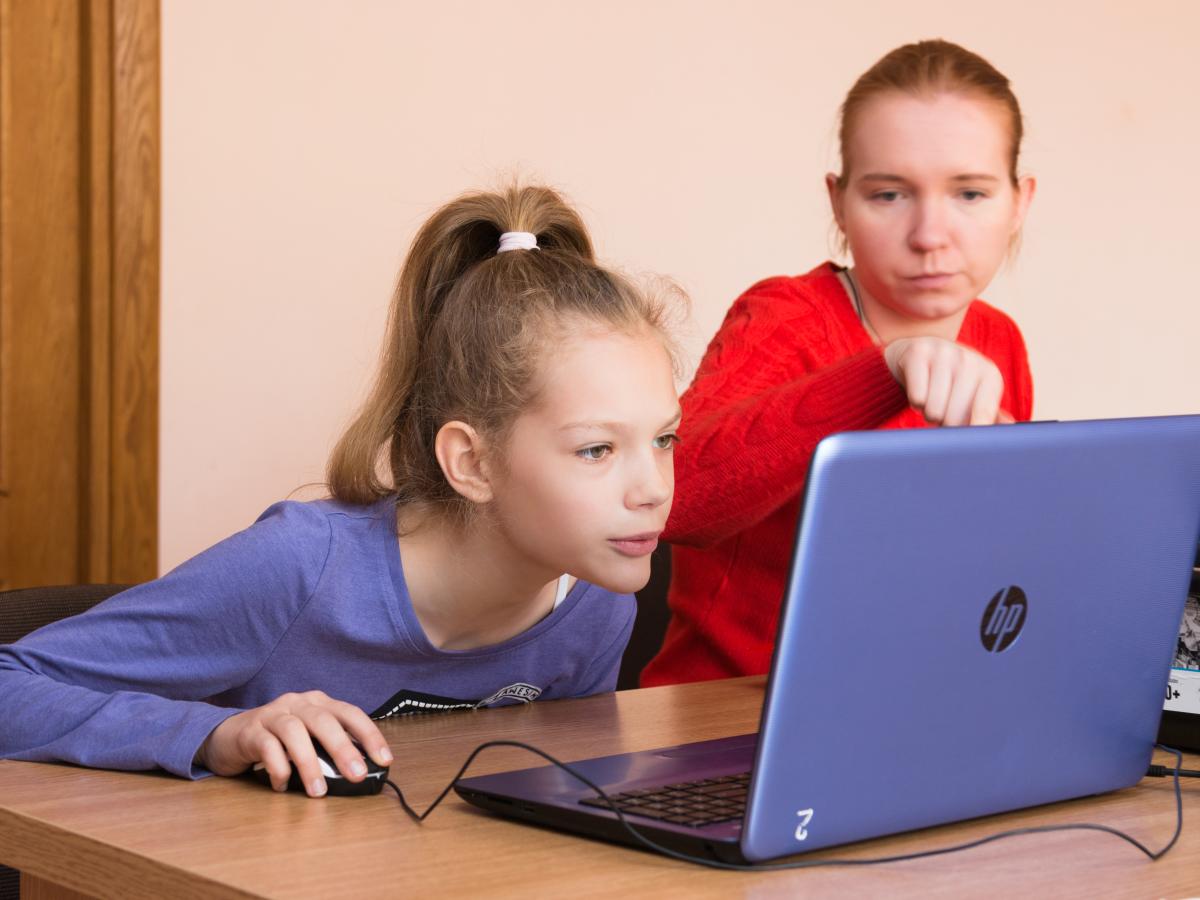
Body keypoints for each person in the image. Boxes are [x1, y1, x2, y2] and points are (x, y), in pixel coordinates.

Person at [0, 185, 682, 797]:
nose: (652, 488)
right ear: (470, 463)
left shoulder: (595, 601)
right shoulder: (298, 567)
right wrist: (218, 732)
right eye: (597, 449)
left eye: (664, 440)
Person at [641, 39, 1037, 687]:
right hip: (725, 724)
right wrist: (884, 372)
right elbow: (671, 499)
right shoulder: (782, 318)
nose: (931, 234)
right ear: (838, 202)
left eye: (970, 194)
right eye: (889, 195)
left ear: (1019, 202)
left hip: (905, 710)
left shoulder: (1002, 342)